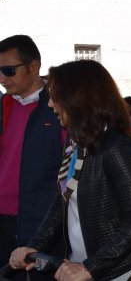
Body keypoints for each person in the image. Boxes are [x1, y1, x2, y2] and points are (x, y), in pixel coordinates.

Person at [9, 60, 131, 281]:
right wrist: (34, 247)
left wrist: (90, 267)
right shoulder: (76, 142)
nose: (50, 104)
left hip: (124, 272)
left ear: (79, 98)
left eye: (55, 96)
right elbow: (62, 201)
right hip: (87, 266)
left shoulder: (115, 146)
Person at [0, 35, 64, 280]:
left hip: (42, 223)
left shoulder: (59, 106)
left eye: (8, 70)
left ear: (34, 66)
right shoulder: (4, 104)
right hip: (3, 223)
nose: (2, 78)